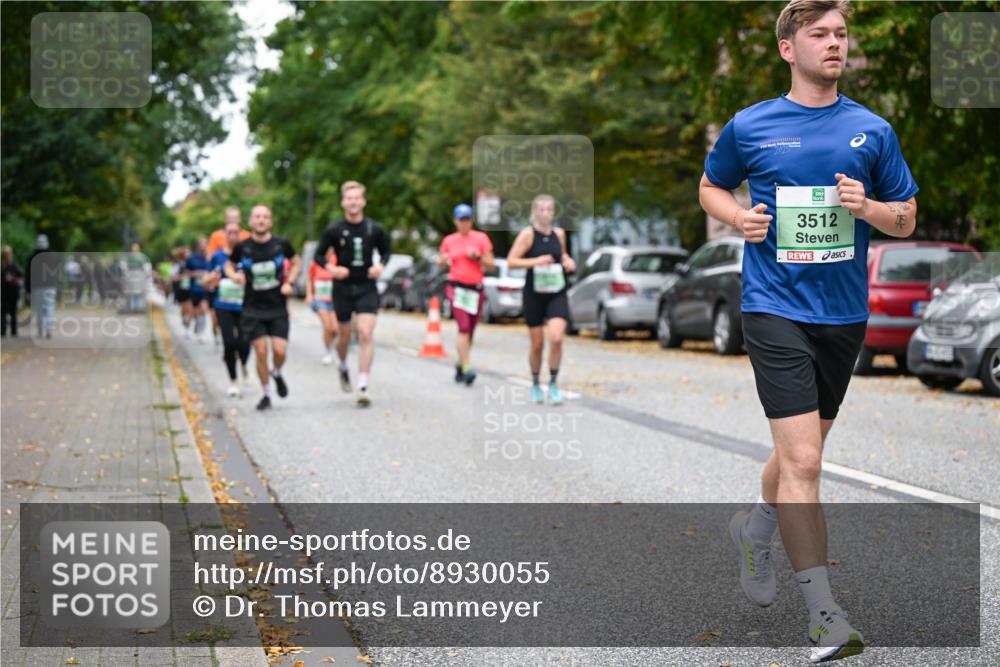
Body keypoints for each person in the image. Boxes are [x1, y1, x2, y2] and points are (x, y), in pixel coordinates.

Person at [698, 1, 918, 662]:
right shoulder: (752, 124)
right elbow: (710, 186)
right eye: (819, 34)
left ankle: (755, 529)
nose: (834, 43)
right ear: (788, 49)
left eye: (841, 33)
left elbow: (905, 216)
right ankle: (825, 617)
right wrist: (738, 218)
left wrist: (868, 206)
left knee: (802, 450)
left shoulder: (872, 130)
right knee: (807, 462)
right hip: (773, 306)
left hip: (843, 314)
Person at [314, 181, 390, 407]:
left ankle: (363, 386)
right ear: (343, 202)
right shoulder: (334, 229)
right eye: (349, 198)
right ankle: (343, 365)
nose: (353, 202)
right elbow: (319, 255)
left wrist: (380, 266)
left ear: (363, 201)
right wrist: (333, 269)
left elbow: (386, 251)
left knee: (365, 333)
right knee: (344, 336)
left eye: (357, 198)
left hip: (366, 285)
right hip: (343, 287)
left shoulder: (374, 228)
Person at [226, 204, 300, 411]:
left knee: (279, 350)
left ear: (270, 221)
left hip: (277, 306)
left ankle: (276, 372)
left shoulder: (281, 244)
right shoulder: (242, 247)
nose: (261, 220)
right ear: (250, 221)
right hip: (252, 308)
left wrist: (290, 283)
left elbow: (296, 262)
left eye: (265, 217)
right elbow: (229, 265)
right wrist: (234, 276)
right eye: (257, 216)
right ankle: (266, 394)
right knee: (260, 351)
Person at [506, 194, 576, 406]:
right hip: (534, 294)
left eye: (549, 209)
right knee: (537, 345)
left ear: (554, 212)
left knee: (556, 338)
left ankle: (553, 383)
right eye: (541, 209)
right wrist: (536, 261)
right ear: (535, 212)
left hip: (556, 291)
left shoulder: (559, 234)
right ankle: (536, 383)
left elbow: (562, 255)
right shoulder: (527, 235)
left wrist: (568, 261)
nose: (545, 213)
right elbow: (511, 261)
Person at [437, 203, 495, 385]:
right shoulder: (449, 240)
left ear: (471, 221)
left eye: (467, 220)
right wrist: (443, 261)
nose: (464, 223)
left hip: (475, 289)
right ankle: (468, 367)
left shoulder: (481, 238)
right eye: (461, 220)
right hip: (457, 287)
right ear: (455, 221)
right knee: (463, 327)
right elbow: (440, 262)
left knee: (470, 330)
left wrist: (478, 257)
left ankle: (461, 363)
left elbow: (491, 265)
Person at [207, 220, 251, 396]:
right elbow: (206, 281)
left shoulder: (247, 254)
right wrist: (211, 279)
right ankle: (233, 380)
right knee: (229, 342)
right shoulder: (217, 256)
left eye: (235, 232)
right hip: (223, 304)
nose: (232, 236)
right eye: (229, 233)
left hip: (243, 305)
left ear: (240, 234)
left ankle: (244, 363)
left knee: (244, 342)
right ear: (224, 235)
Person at [305, 251, 339, 366]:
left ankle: (332, 346)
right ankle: (328, 352)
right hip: (320, 299)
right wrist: (309, 294)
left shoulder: (337, 259)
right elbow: (309, 278)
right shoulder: (317, 261)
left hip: (335, 299)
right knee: (327, 326)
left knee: (335, 329)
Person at [26, 234, 58, 339]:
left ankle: (40, 330)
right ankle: (49, 329)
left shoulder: (31, 258)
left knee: (39, 309)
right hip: (50, 286)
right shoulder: (52, 257)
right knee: (49, 308)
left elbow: (28, 275)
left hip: (37, 287)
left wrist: (28, 290)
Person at [185, 238, 212, 342]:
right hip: (194, 288)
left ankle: (201, 333)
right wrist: (194, 274)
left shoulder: (210, 258)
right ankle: (190, 329)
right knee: (194, 312)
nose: (203, 247)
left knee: (204, 309)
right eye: (201, 245)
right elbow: (186, 272)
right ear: (197, 246)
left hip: (205, 288)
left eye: (205, 244)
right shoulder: (192, 258)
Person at [1, 245, 23, 337]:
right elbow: (20, 274)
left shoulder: (3, 265)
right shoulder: (12, 264)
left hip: (5, 292)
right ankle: (13, 331)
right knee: (12, 312)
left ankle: (3, 331)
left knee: (4, 312)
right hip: (12, 292)